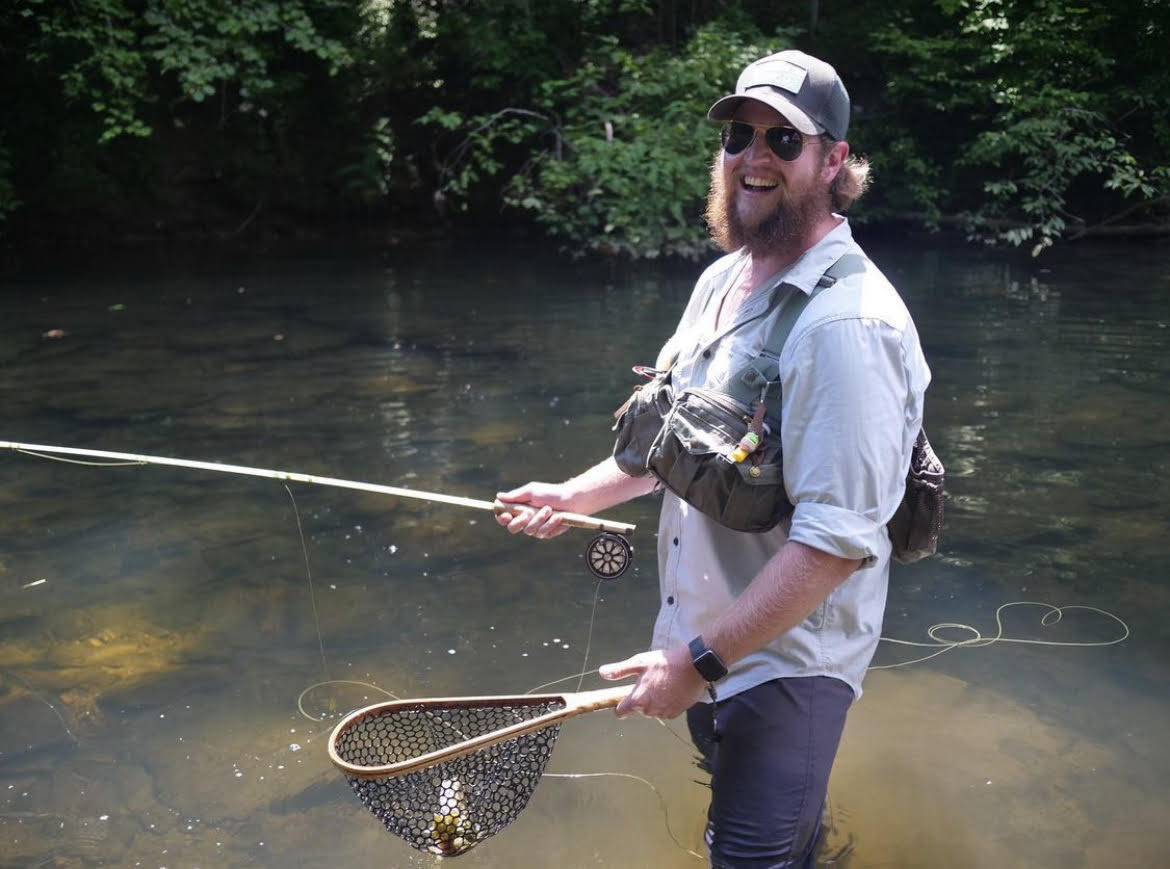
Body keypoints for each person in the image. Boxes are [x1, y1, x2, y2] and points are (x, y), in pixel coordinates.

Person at [496, 49, 931, 868]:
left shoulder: (848, 327)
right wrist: (575, 495)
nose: (753, 156)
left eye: (783, 139)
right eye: (739, 134)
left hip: (786, 664)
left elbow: (837, 545)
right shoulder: (725, 281)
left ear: (834, 161)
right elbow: (672, 447)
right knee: (757, 827)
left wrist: (693, 665)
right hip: (705, 639)